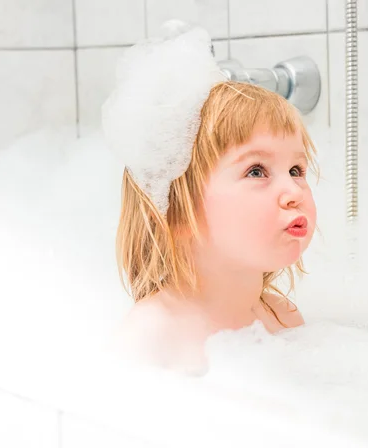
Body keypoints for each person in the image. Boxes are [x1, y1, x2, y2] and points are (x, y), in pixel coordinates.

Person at [102, 20, 318, 373]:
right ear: (179, 216)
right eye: (257, 171)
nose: (294, 192)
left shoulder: (282, 317)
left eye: (296, 170)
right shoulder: (149, 337)